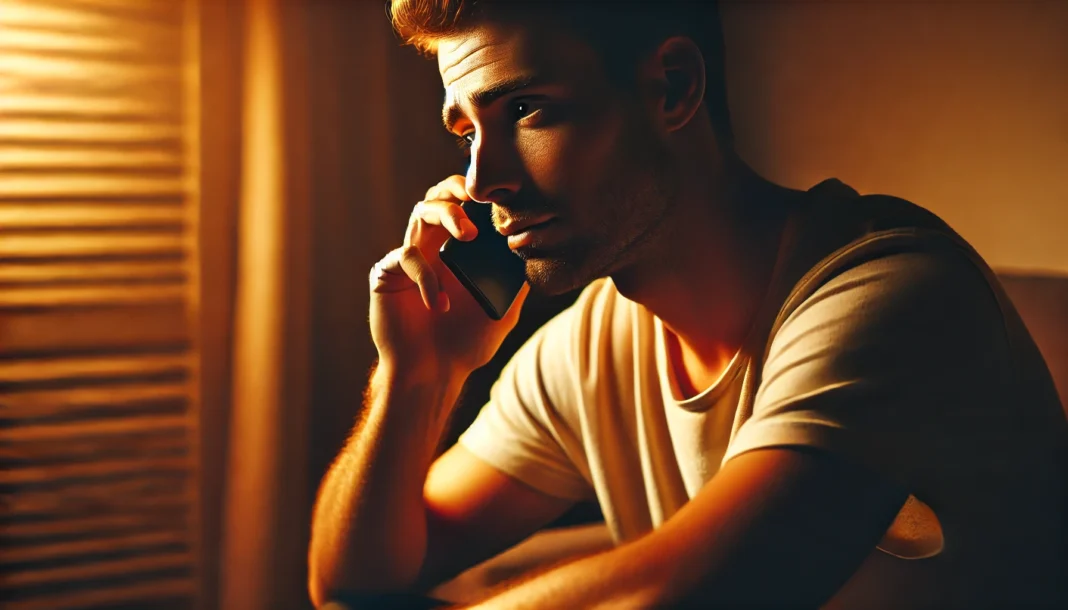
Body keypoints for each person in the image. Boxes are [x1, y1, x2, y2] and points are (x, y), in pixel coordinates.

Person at [308, 1, 1068, 608]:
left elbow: (669, 595)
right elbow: (353, 577)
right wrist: (415, 376)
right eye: (467, 130)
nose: (481, 182)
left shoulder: (889, 296)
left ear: (673, 87)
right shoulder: (590, 347)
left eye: (529, 111)